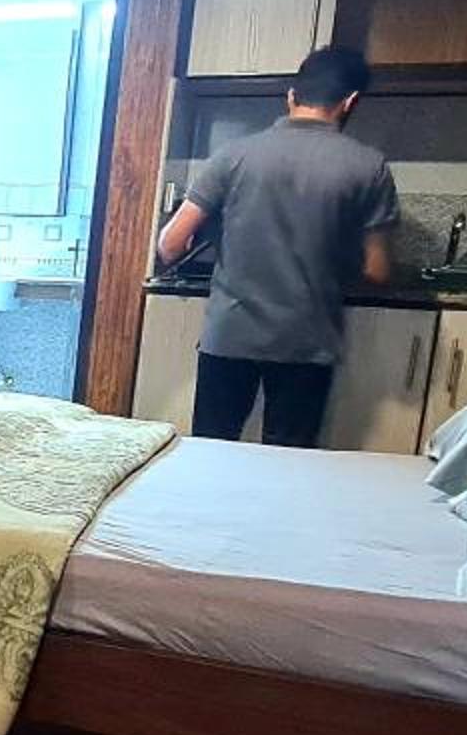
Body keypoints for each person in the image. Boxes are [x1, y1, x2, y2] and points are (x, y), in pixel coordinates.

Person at [153, 45, 397, 447]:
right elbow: (377, 270)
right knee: (289, 461)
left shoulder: (233, 155)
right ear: (351, 101)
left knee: (211, 451)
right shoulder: (369, 166)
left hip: (230, 334)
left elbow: (171, 244)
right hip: (308, 341)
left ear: (291, 96)